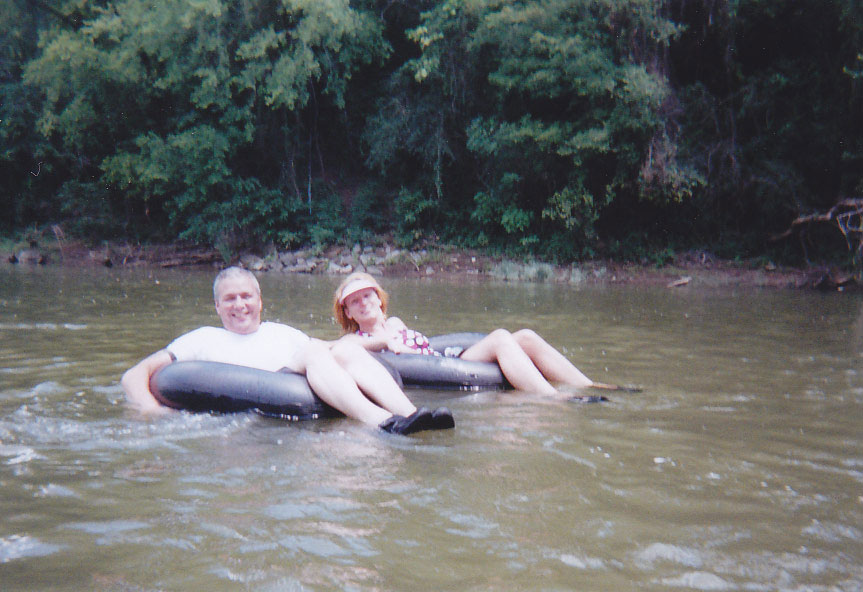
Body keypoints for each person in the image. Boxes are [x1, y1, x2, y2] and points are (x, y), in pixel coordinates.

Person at [121, 267, 454, 435]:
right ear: (217, 306)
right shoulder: (200, 338)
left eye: (246, 296)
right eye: (230, 299)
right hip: (253, 392)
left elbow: (332, 350)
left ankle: (412, 416)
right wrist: (154, 414)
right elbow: (135, 375)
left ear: (260, 300)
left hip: (290, 383)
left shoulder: (281, 333)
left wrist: (379, 342)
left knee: (336, 351)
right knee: (314, 351)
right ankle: (381, 422)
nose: (240, 305)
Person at [333, 272, 600, 398]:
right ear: (348, 313)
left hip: (448, 359)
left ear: (379, 299)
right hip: (438, 372)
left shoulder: (396, 323)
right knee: (500, 338)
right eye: (355, 302)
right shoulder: (354, 342)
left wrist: (392, 336)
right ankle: (553, 398)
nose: (364, 303)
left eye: (367, 296)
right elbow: (343, 348)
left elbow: (426, 350)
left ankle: (589, 385)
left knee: (526, 336)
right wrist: (385, 342)